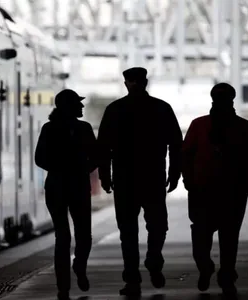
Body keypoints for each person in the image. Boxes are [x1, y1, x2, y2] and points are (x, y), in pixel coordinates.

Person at [97, 67, 182, 296]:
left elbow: (103, 147)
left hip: (125, 180)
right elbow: (176, 144)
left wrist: (105, 176)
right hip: (153, 178)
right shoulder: (161, 108)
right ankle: (154, 260)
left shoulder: (115, 110)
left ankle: (132, 278)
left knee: (127, 231)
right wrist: (174, 174)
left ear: (126, 83)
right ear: (146, 82)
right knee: (158, 225)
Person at [181, 82, 248, 296]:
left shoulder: (198, 126)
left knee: (201, 235)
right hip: (232, 192)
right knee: (229, 237)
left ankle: (207, 267)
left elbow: (186, 156)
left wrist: (188, 181)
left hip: (204, 191)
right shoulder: (246, 128)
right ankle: (225, 276)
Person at [35, 89, 98, 300]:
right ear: (69, 107)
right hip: (77, 187)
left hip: (55, 187)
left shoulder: (49, 128)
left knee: (62, 236)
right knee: (83, 235)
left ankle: (65, 282)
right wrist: (80, 170)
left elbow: (39, 159)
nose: (81, 107)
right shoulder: (84, 129)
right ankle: (76, 269)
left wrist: (58, 169)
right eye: (78, 104)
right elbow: (95, 157)